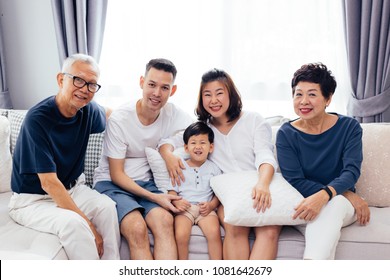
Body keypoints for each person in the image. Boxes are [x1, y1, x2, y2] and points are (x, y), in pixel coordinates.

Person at [8, 53, 120, 260]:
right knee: (74, 224)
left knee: (107, 208)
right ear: (61, 80)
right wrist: (90, 228)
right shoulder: (37, 119)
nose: (84, 89)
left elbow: (113, 114)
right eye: (78, 80)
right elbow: (49, 183)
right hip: (32, 200)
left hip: (72, 189)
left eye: (92, 84)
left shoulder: (88, 110)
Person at [163, 68, 280, 260]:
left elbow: (265, 155)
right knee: (234, 226)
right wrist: (168, 156)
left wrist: (263, 184)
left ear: (230, 94)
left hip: (258, 186)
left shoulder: (253, 120)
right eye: (207, 95)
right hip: (229, 195)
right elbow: (168, 142)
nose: (213, 100)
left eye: (219, 93)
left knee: (269, 232)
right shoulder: (203, 130)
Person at [93, 58, 193, 260]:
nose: (157, 93)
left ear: (172, 91)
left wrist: (166, 150)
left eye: (165, 87)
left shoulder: (173, 114)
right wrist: (157, 198)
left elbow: (199, 134)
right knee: (137, 228)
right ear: (141, 82)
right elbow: (116, 174)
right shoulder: (121, 119)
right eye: (152, 85)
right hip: (112, 184)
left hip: (146, 184)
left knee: (165, 221)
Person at [276, 62, 370, 259]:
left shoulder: (349, 127)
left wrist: (328, 195)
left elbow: (351, 171)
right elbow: (295, 180)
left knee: (333, 206)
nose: (303, 101)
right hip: (307, 202)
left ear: (328, 99)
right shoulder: (286, 133)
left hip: (340, 205)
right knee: (325, 229)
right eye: (298, 94)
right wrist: (342, 193)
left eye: (312, 94)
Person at [167, 121, 223, 260]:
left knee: (214, 233)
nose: (198, 147)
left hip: (206, 209)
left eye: (202, 143)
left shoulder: (214, 168)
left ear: (211, 147)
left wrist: (211, 206)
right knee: (181, 234)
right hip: (185, 209)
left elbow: (219, 194)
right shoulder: (180, 167)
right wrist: (177, 203)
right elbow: (172, 192)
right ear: (186, 147)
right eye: (193, 143)